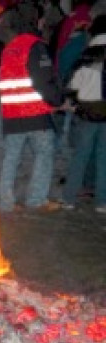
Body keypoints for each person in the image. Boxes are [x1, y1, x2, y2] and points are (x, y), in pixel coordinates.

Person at [0, 3, 65, 213]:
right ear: (35, 21)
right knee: (44, 155)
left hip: (11, 116)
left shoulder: (9, 48)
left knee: (11, 159)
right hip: (35, 115)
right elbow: (43, 80)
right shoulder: (35, 47)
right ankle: (36, 199)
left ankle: (6, 202)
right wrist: (58, 100)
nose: (44, 22)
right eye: (41, 19)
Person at [60, 15, 106, 214]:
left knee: (80, 155)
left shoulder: (86, 55)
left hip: (86, 113)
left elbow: (73, 85)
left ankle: (69, 198)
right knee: (104, 159)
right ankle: (102, 201)